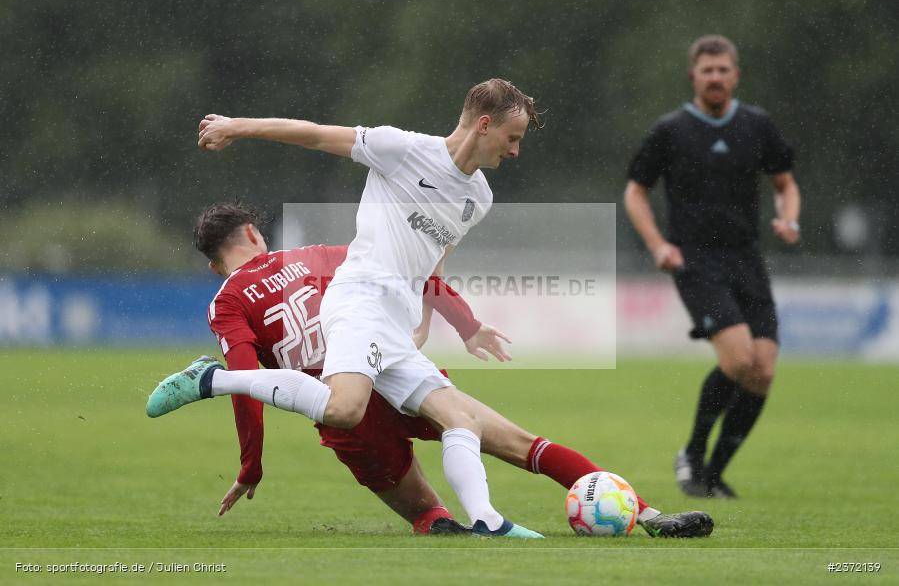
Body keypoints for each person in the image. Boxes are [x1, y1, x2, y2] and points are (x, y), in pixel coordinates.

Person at [148, 202, 714, 538]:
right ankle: (648, 514)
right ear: (253, 233)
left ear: (212, 260)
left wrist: (252, 464)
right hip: (396, 365)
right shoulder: (318, 254)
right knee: (524, 445)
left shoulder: (226, 303)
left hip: (346, 413)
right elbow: (414, 278)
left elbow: (249, 388)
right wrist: (466, 326)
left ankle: (478, 526)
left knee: (432, 519)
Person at [624, 35, 801, 498]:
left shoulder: (757, 125)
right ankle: (693, 454)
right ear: (694, 76)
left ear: (736, 75)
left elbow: (785, 183)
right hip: (695, 260)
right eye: (708, 71)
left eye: (724, 70)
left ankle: (714, 473)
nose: (716, 77)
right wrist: (658, 244)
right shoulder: (671, 130)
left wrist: (789, 216)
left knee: (762, 371)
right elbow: (635, 191)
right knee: (739, 358)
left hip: (747, 257)